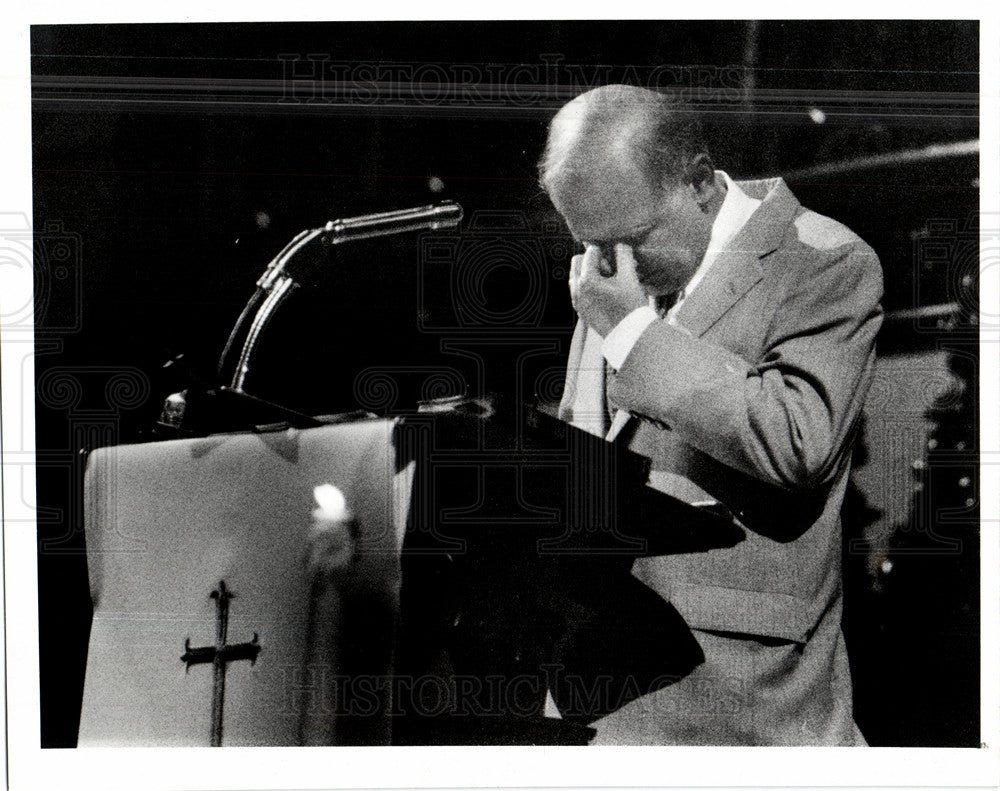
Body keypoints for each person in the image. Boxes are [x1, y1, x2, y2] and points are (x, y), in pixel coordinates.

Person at [541, 84, 883, 745]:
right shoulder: (611, 268)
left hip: (741, 705)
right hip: (596, 703)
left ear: (699, 181)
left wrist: (634, 332)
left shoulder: (823, 260)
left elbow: (797, 438)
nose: (608, 265)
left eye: (631, 238)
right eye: (589, 242)